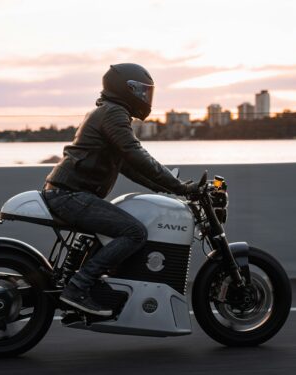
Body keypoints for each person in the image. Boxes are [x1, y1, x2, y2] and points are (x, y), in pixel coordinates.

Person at [43, 63, 197, 316]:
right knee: (134, 232)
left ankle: (95, 286)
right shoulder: (113, 114)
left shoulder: (108, 112)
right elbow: (136, 154)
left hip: (70, 193)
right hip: (70, 195)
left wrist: (172, 189)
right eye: (144, 92)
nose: (147, 98)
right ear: (129, 89)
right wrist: (178, 185)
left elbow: (131, 167)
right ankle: (78, 288)